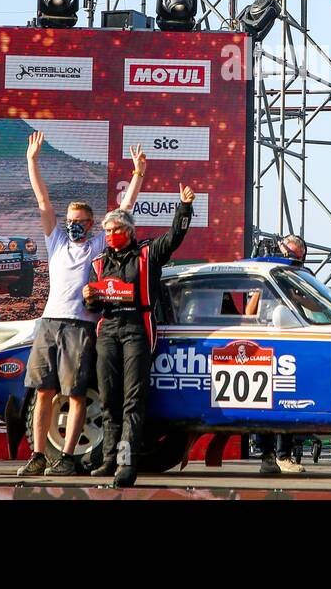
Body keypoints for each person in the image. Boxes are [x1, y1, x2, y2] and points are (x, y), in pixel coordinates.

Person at [17, 132, 149, 477]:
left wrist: (137, 175)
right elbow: (43, 201)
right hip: (49, 322)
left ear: (91, 225)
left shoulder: (97, 248)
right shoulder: (56, 241)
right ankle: (38, 455)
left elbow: (124, 211)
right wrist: (32, 161)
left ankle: (67, 458)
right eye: (70, 221)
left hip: (81, 325)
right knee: (43, 391)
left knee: (75, 394)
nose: (73, 226)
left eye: (80, 222)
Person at [83, 185, 195, 487]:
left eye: (115, 229)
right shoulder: (99, 263)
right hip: (107, 328)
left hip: (137, 328)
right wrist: (90, 296)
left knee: (133, 399)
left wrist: (183, 208)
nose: (110, 235)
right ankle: (108, 458)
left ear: (129, 231)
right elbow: (92, 302)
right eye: (107, 231)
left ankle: (125, 463)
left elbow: (174, 238)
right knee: (108, 397)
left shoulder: (148, 253)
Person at [255, 233, 307, 475]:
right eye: (292, 254)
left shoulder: (296, 277)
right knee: (264, 402)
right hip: (263, 345)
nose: (294, 259)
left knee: (288, 401)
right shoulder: (265, 275)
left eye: (297, 256)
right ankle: (267, 456)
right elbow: (249, 310)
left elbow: (310, 305)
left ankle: (284, 456)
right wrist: (260, 290)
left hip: (290, 347)